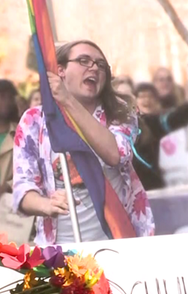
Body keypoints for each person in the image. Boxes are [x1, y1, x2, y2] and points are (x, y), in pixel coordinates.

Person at [13, 39, 155, 246]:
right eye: (84, 60)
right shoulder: (34, 120)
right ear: (60, 71)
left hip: (119, 239)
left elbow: (116, 154)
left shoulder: (120, 112)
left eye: (100, 64)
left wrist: (67, 101)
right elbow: (22, 189)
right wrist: (46, 205)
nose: (94, 68)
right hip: (60, 249)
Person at [133, 83, 188, 190]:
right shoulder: (128, 125)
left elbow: (174, 119)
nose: (146, 100)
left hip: (162, 185)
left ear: (156, 100)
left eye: (150, 96)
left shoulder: (157, 122)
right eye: (142, 96)